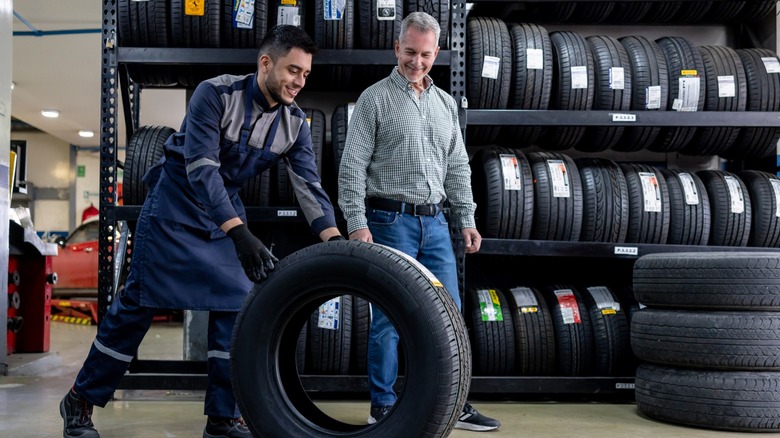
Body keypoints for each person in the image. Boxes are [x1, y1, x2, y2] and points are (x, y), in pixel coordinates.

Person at [59, 25, 343, 438]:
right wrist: (240, 233)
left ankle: (223, 418)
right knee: (137, 307)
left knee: (234, 311)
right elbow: (201, 168)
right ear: (265, 63)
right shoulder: (216, 93)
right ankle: (80, 400)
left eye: (305, 75)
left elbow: (309, 187)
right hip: (175, 203)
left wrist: (335, 243)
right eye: (292, 70)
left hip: (222, 212)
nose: (299, 82)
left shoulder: (295, 125)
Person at [337, 11, 501, 433]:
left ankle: (452, 403)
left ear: (437, 53)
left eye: (426, 54)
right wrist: (357, 222)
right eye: (410, 52)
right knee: (389, 317)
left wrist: (466, 218)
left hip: (436, 225)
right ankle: (383, 405)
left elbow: (458, 166)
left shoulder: (445, 103)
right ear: (397, 48)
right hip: (390, 220)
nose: (417, 62)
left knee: (449, 318)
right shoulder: (374, 98)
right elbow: (352, 166)